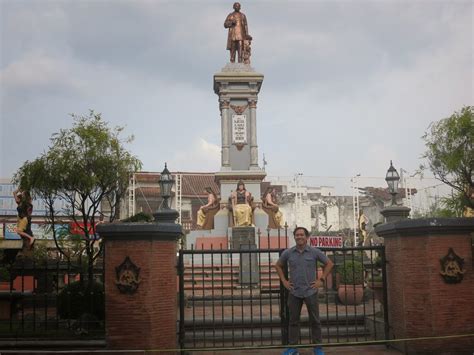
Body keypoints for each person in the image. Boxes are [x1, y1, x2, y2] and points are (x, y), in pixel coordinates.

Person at [274, 227, 334, 355]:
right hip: (294, 292)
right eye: (297, 235)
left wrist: (321, 280)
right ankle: (293, 348)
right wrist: (284, 281)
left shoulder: (314, 252)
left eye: (301, 235)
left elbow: (329, 264)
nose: (299, 237)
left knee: (315, 321)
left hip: (310, 291)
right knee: (293, 321)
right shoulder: (288, 253)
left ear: (307, 237)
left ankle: (317, 347)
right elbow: (278, 265)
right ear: (294, 237)